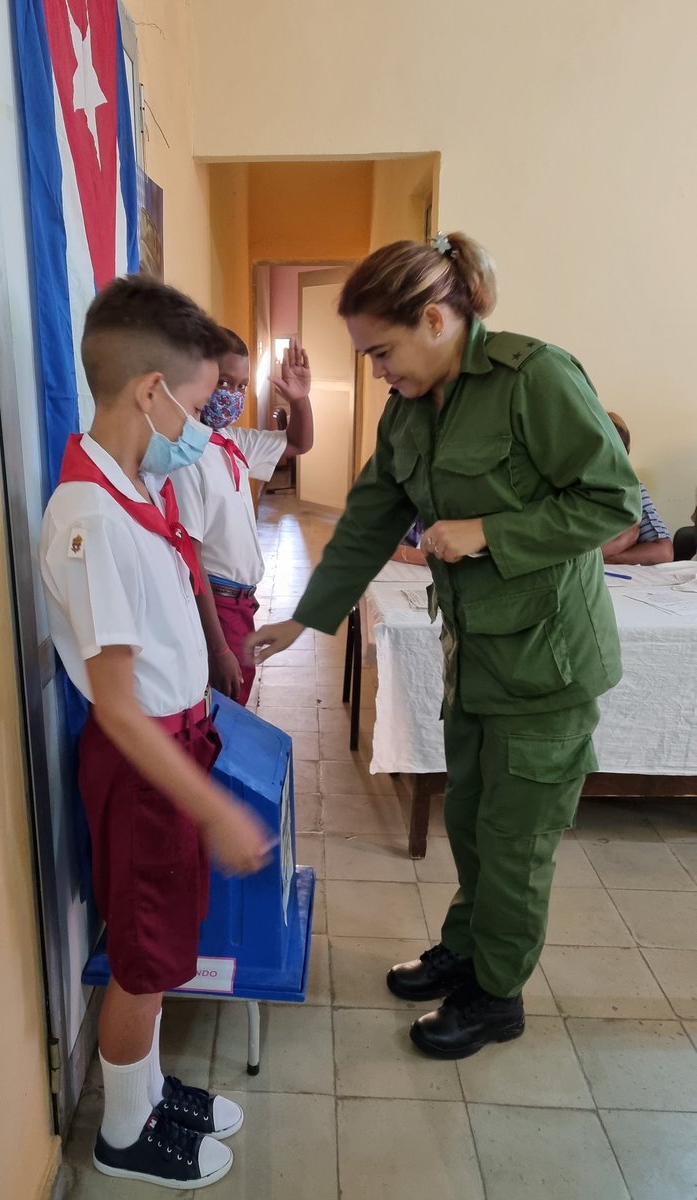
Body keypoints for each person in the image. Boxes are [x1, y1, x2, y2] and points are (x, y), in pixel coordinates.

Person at [246, 233, 641, 1060]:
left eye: (382, 352)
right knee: (470, 819)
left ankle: (497, 996)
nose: (378, 370)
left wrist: (491, 531)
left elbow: (610, 500)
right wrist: (304, 617)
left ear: (434, 318)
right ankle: (466, 952)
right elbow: (368, 517)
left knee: (517, 840)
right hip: (479, 654)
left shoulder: (536, 378)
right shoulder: (410, 410)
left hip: (549, 664)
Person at [40, 276, 273, 1188]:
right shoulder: (90, 518)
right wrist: (210, 809)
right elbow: (118, 708)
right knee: (142, 955)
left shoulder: (132, 486)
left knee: (167, 935)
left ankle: (146, 1087)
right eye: (201, 398)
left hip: (176, 742)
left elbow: (177, 599)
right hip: (147, 764)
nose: (208, 424)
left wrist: (215, 655)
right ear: (151, 393)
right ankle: (123, 1135)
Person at [172, 328, 314, 704]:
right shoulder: (186, 456)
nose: (231, 395)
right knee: (225, 710)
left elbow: (298, 443)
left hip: (240, 602)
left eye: (241, 386)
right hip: (217, 605)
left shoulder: (230, 441)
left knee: (234, 706)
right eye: (223, 382)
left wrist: (300, 401)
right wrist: (219, 648)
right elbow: (191, 559)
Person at [601, 412, 673, 564]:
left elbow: (664, 552)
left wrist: (609, 556)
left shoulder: (632, 489)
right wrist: (617, 545)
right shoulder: (562, 488)